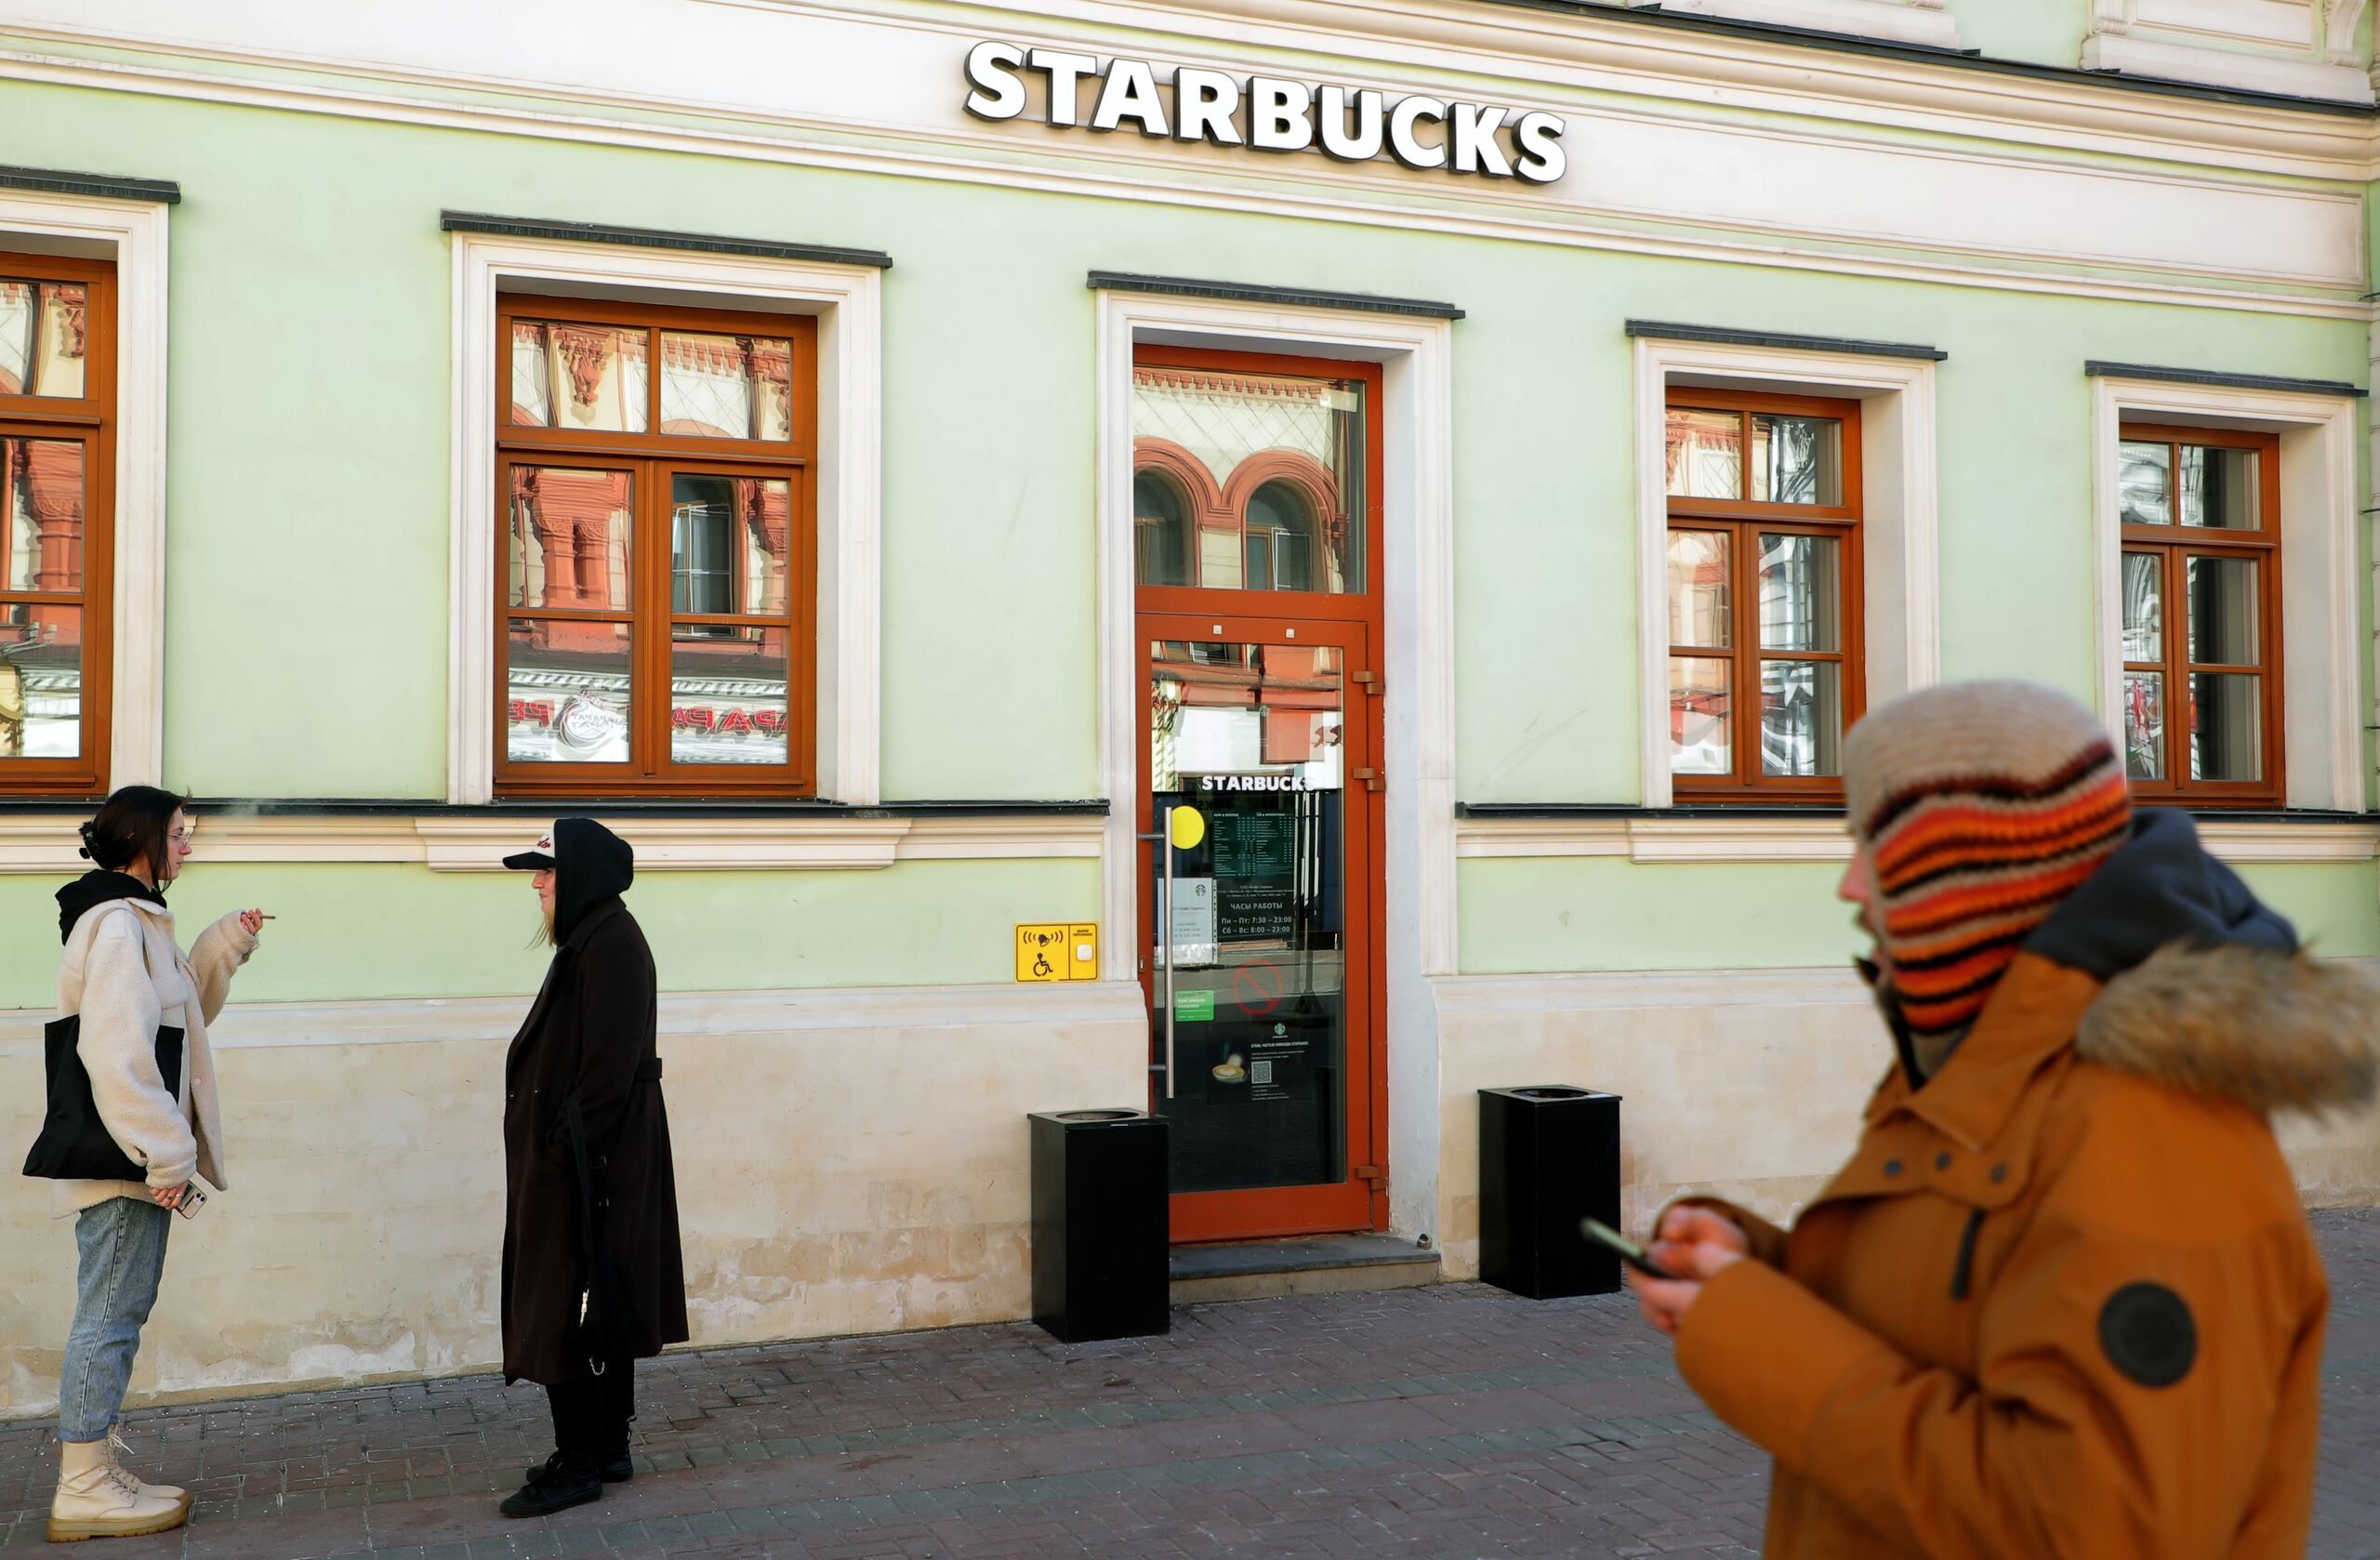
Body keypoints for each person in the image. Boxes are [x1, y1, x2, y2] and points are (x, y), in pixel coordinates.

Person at [1629, 680, 2378, 1559]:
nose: (1849, 887)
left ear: (1971, 873)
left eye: (1875, 846)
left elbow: (2093, 1529)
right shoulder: (1991, 1069)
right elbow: (1960, 1320)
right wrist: (1755, 1276)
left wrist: (1759, 1337)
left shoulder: (2149, 1131)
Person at [36, 787, 264, 1542]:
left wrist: (220, 945)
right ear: (142, 839)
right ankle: (84, 1486)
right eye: (177, 833)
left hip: (133, 1152)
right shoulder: (114, 925)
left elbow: (178, 1017)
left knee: (117, 1312)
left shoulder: (134, 921)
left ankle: (93, 1469)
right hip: (129, 1156)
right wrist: (166, 1153)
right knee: (109, 1318)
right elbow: (119, 1050)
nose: (186, 846)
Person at [496, 818, 686, 1518]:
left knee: (564, 1304)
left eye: (545, 872)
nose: (538, 885)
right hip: (587, 1158)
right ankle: (606, 1444)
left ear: (581, 875)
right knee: (597, 1297)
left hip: (585, 1164)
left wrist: (559, 1152)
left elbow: (605, 1075)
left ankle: (580, 1461)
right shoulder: (595, 939)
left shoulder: (610, 946)